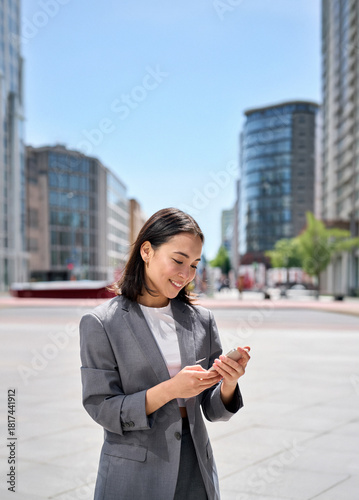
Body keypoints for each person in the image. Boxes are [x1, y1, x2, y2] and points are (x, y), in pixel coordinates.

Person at [79, 208, 250, 500]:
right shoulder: (102, 323)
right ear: (147, 251)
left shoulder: (201, 320)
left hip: (195, 465)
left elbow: (212, 409)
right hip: (134, 473)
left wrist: (229, 383)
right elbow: (102, 408)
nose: (186, 274)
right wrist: (171, 389)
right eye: (178, 260)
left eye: (195, 264)